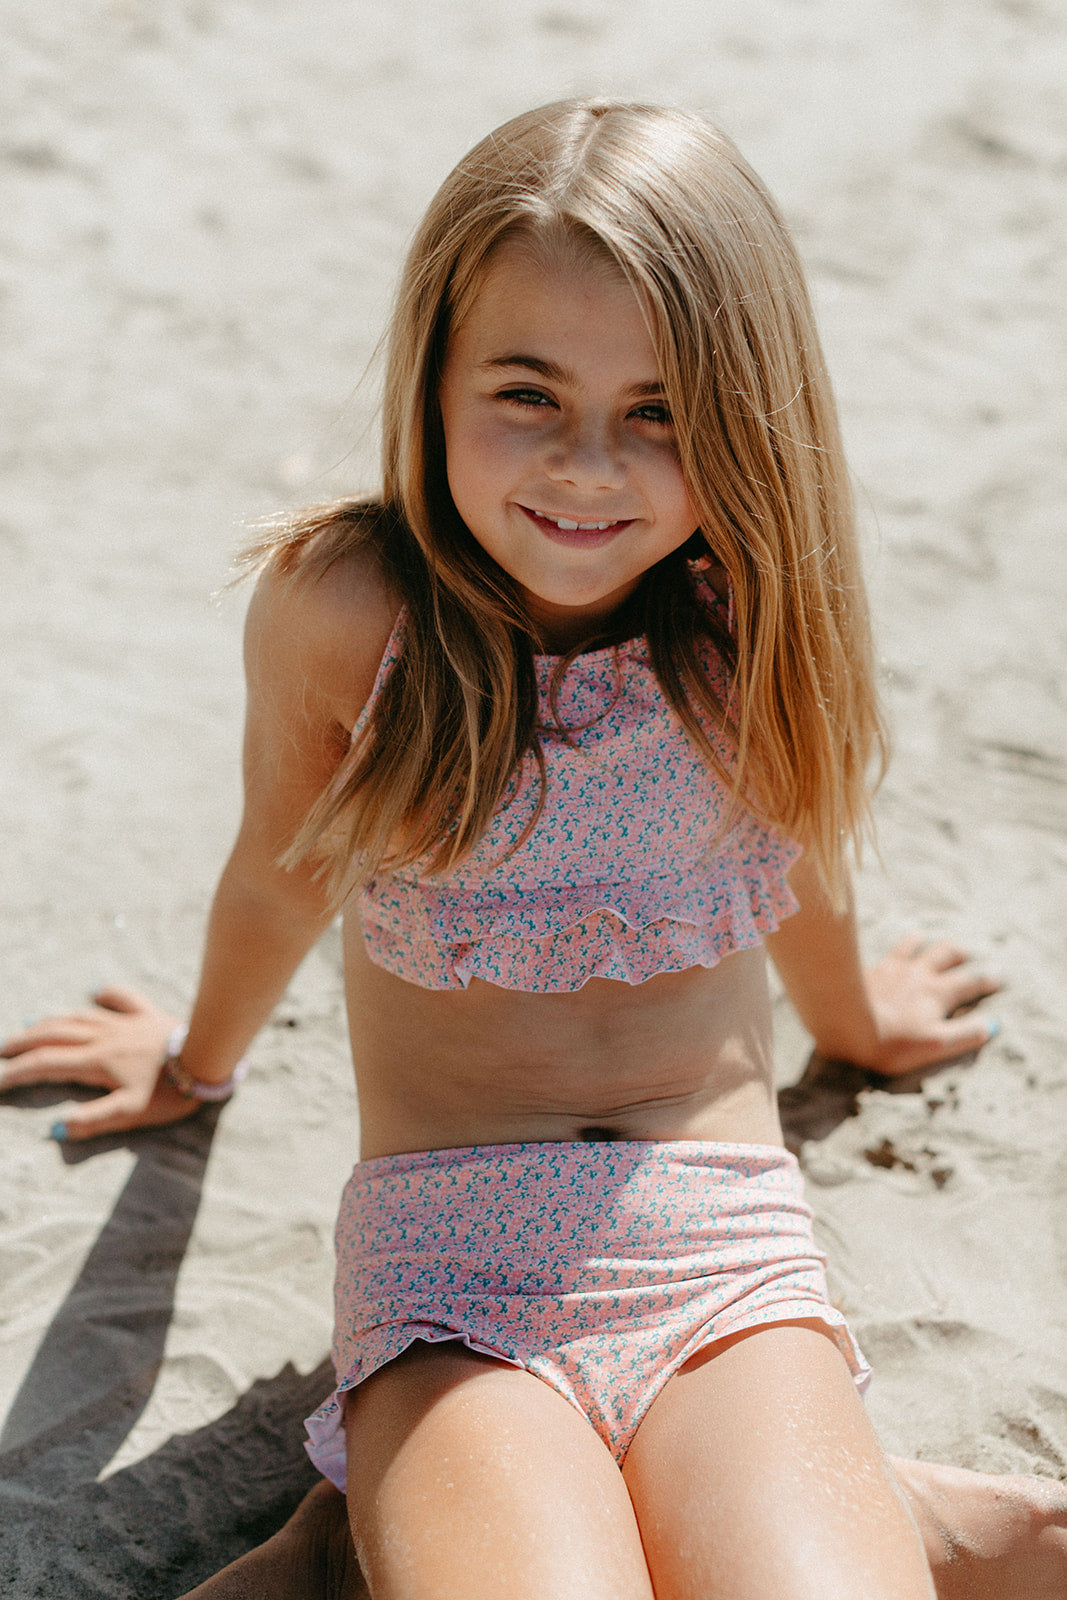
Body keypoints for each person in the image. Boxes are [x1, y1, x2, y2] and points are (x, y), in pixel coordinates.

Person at [3, 100, 1063, 1600]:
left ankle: (779, 1509)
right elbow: (277, 868)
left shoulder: (746, 613)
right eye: (527, 393)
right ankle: (398, 1500)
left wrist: (855, 1025)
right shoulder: (349, 613)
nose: (587, 467)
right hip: (454, 1280)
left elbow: (798, 842)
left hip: (718, 1254)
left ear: (748, 415)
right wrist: (197, 1062)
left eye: (661, 411)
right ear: (434, 379)